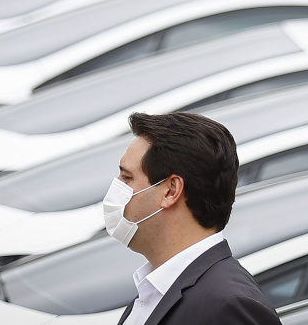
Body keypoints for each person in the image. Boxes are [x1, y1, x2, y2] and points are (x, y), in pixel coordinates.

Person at [104, 112, 283, 325]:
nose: (117, 186)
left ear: (171, 191)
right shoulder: (155, 290)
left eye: (127, 177)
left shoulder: (228, 306)